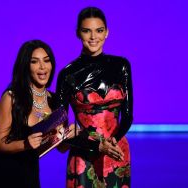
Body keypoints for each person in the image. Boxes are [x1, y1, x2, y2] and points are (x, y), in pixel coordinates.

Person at [0, 40, 74, 188]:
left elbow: (60, 147)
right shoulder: (12, 98)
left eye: (46, 61)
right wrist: (25, 144)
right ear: (26, 66)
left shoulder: (56, 101)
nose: (42, 67)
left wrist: (70, 135)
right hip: (0, 174)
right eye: (34, 62)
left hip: (29, 175)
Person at [56, 7, 133, 188]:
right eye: (86, 31)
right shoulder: (67, 74)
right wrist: (96, 145)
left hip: (116, 150)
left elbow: (128, 115)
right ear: (78, 33)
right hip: (83, 153)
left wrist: (112, 142)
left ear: (107, 32)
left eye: (99, 31)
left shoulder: (121, 66)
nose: (93, 37)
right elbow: (60, 130)